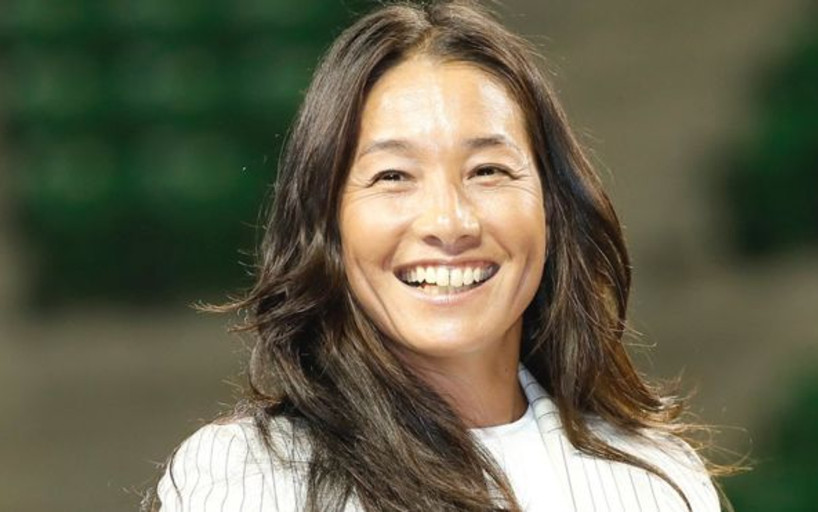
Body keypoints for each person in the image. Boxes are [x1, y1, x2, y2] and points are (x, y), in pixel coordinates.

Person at [150, 1, 729, 510]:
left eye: (488, 171)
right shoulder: (251, 476)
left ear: (553, 207)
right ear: (327, 221)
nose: (450, 222)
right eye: (393, 176)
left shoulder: (657, 480)